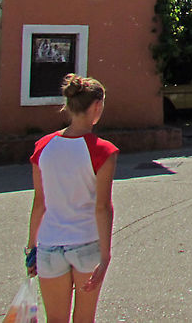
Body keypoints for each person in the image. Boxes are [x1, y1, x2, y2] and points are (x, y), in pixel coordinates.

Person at [26, 74, 119, 323]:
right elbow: (103, 208)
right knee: (84, 319)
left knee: (55, 320)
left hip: (49, 245)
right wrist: (106, 255)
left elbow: (40, 204)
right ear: (97, 106)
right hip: (86, 242)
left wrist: (31, 247)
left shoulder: (42, 147)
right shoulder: (103, 150)